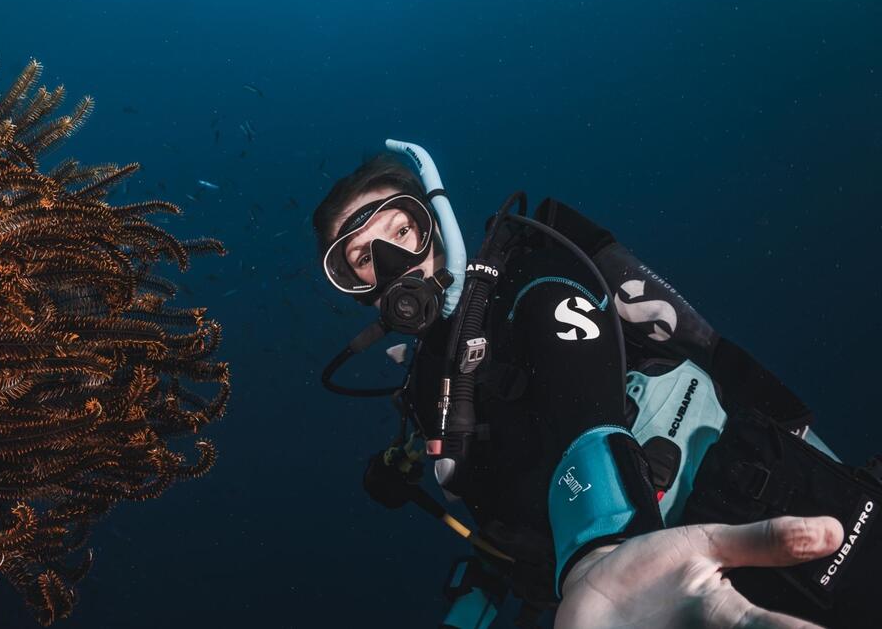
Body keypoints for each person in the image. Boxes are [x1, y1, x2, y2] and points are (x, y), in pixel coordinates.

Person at [313, 142, 882, 628]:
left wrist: (601, 547)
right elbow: (495, 521)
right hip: (636, 599)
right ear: (354, 287)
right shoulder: (423, 393)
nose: (392, 261)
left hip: (754, 503)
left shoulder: (527, 278)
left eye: (401, 229)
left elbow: (581, 392)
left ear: (431, 224)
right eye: (361, 257)